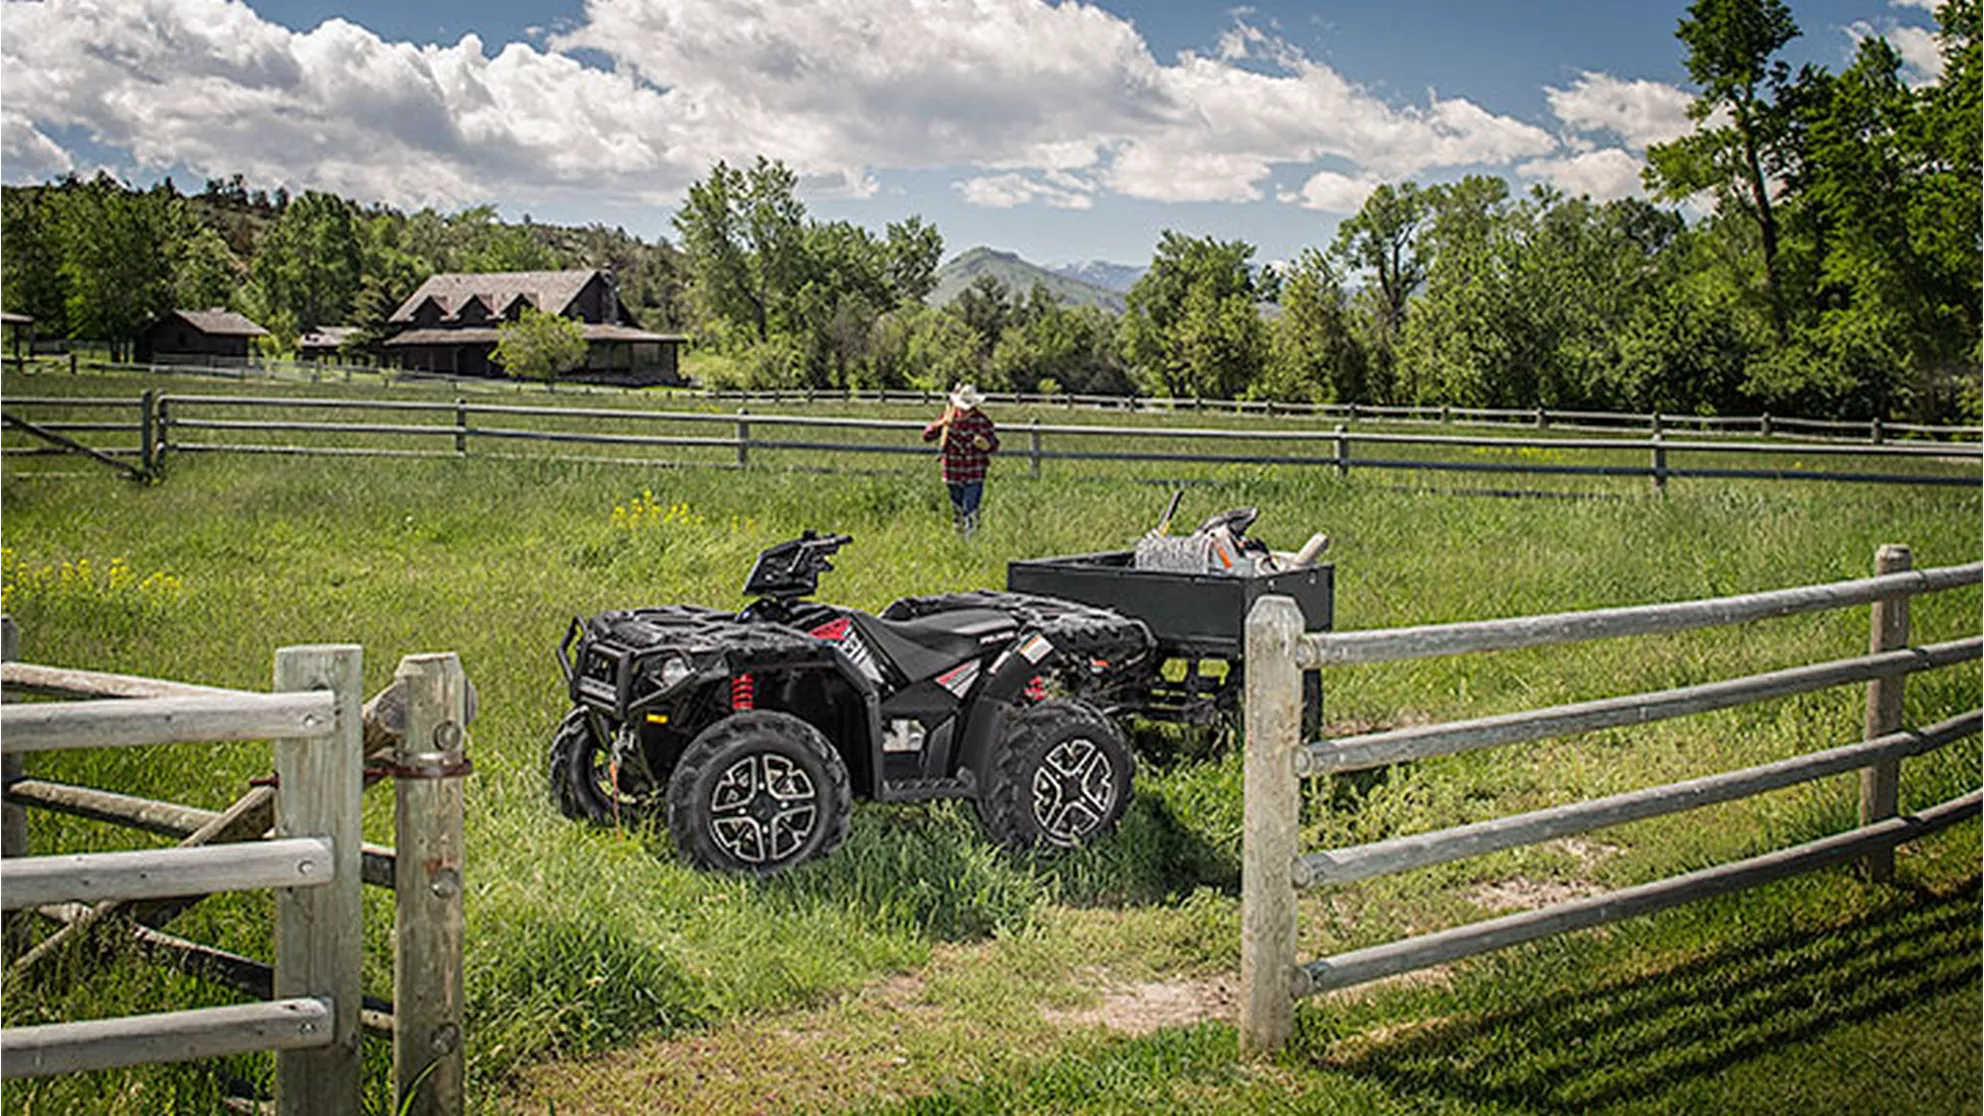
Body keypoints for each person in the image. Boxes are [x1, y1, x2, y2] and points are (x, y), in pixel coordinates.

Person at [923, 382, 999, 537]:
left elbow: (994, 445)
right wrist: (941, 423)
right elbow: (927, 435)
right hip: (953, 471)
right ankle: (959, 540)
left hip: (974, 471)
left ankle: (971, 541)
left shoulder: (982, 421)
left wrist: (986, 445)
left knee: (970, 510)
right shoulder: (949, 416)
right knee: (957, 511)